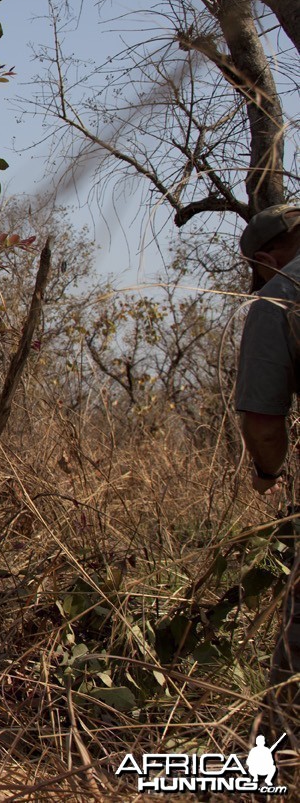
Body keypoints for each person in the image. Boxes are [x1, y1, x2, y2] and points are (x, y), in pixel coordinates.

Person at [235, 202, 300, 736]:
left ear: (264, 258)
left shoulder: (279, 295)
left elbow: (262, 422)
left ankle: (274, 765)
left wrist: (267, 472)